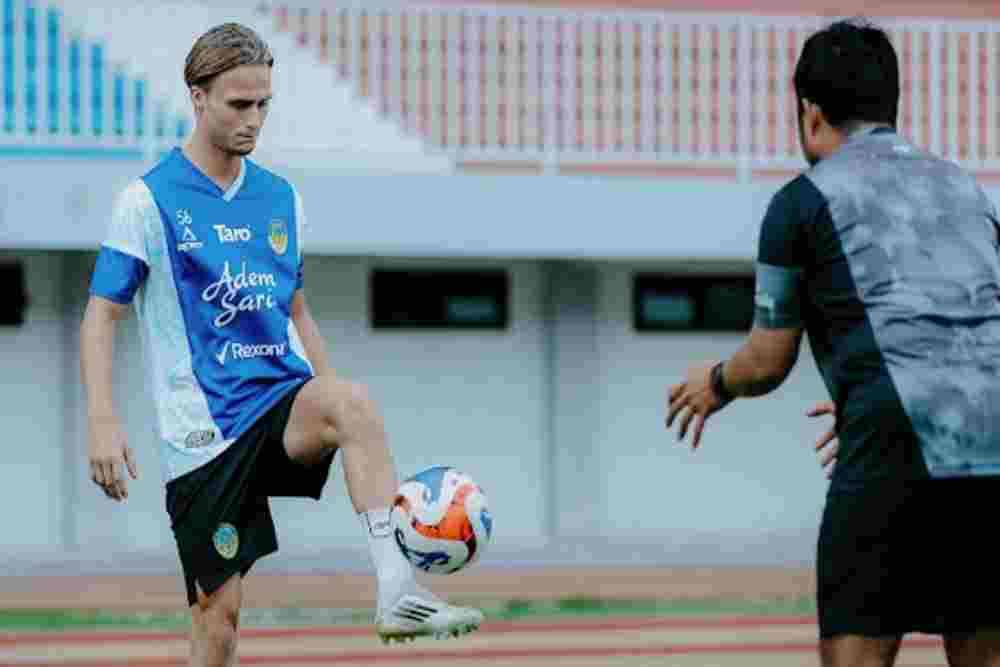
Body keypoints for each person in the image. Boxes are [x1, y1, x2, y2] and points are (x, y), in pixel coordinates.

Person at [79, 22, 482, 667]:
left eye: (264, 104)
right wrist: (103, 421)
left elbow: (296, 309)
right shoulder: (147, 201)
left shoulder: (281, 199)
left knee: (353, 402)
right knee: (218, 620)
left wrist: (334, 396)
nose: (254, 120)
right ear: (198, 97)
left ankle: (398, 592)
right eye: (240, 104)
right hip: (205, 433)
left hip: (279, 402)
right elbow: (101, 315)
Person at [665, 18, 1000, 667]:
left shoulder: (801, 202)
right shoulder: (968, 191)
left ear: (810, 113)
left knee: (856, 652)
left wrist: (716, 382)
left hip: (890, 436)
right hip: (990, 439)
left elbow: (768, 360)